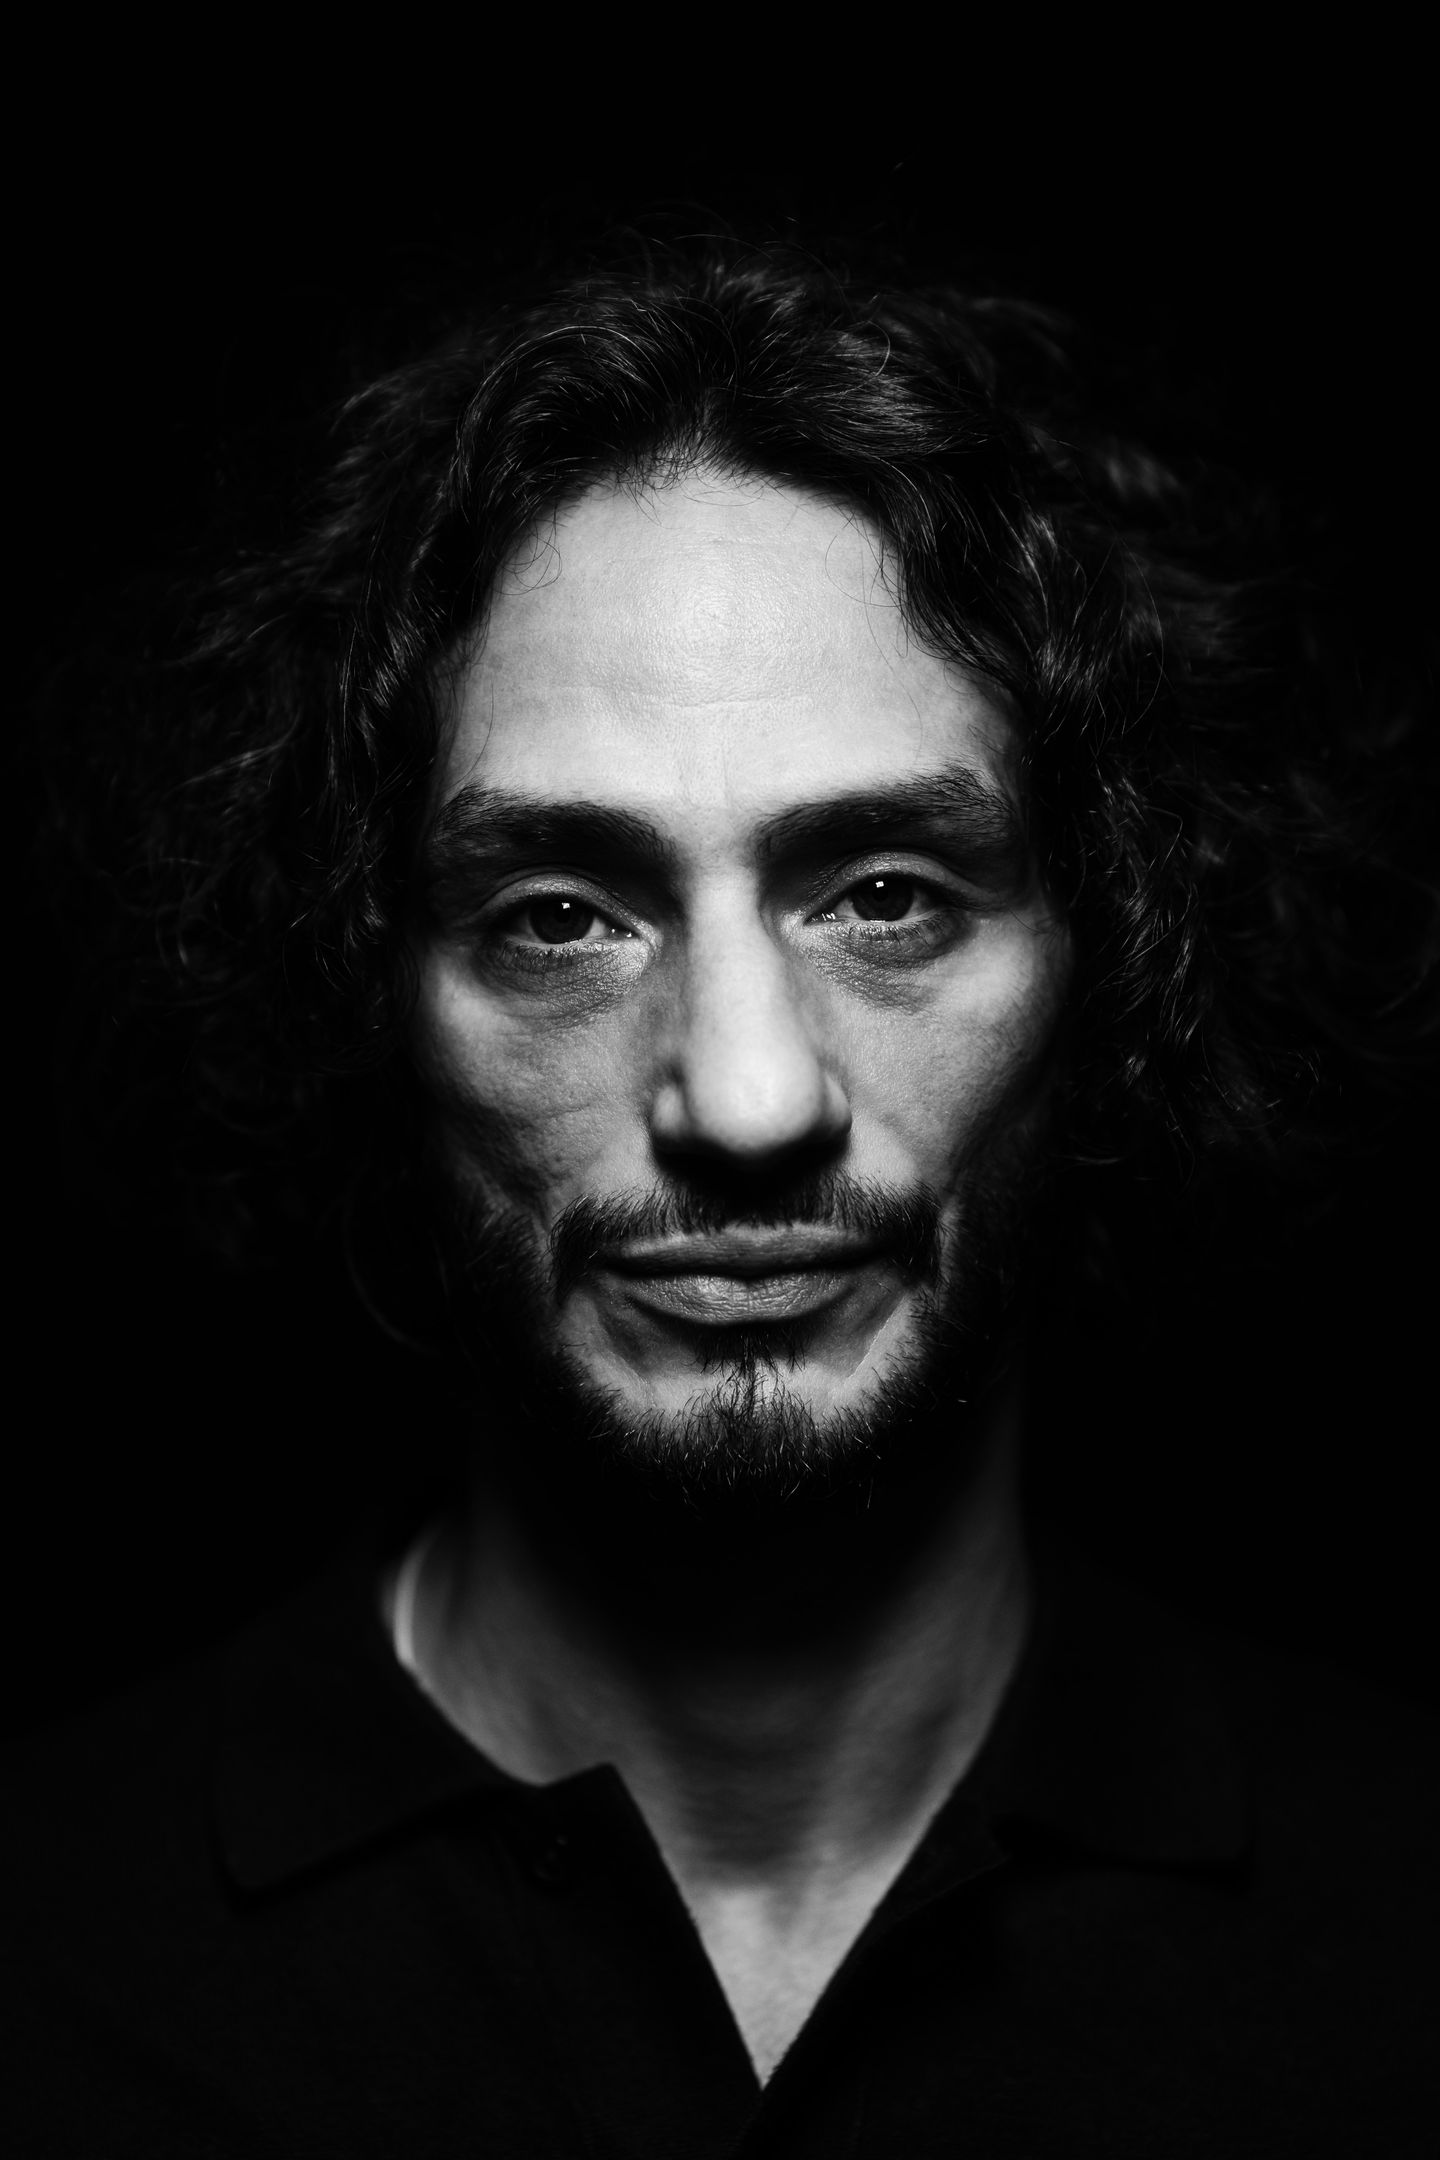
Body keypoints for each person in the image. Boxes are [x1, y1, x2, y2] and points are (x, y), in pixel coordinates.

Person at [7, 237, 1437, 2156]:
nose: (747, 1100)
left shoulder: (1404, 1944)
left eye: (887, 898)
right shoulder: (47, 1961)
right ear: (369, 989)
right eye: (562, 919)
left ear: (1114, 955)